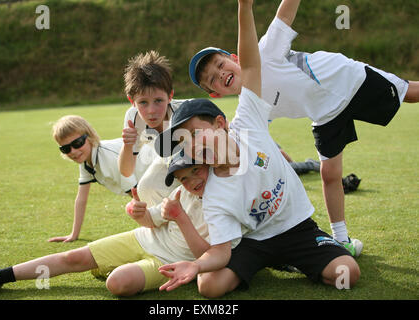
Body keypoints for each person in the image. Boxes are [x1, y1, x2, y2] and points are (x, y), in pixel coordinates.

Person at [154, 0, 360, 298]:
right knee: (209, 287)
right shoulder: (213, 195)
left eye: (196, 135)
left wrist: (244, 7)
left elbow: (250, 64)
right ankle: (270, 263)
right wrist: (196, 266)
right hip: (256, 241)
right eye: (185, 143)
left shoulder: (249, 120)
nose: (194, 147)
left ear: (221, 123)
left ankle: (296, 260)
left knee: (346, 273)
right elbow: (222, 251)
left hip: (297, 227)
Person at [187, 0, 418, 256]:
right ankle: (342, 240)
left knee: (411, 93)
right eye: (212, 79)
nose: (220, 74)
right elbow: (249, 138)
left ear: (235, 58)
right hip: (325, 114)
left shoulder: (264, 52)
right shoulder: (249, 105)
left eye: (220, 65)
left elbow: (284, 14)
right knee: (329, 174)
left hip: (347, 80)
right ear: (216, 94)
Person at [0, 154, 216, 296]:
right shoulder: (181, 193)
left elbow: (206, 256)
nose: (191, 181)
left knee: (117, 284)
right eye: (183, 178)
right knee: (72, 258)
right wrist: (136, 212)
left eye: (196, 171)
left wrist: (181, 218)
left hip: (168, 262)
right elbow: (151, 221)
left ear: (208, 166)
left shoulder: (224, 204)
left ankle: (111, 266)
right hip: (143, 238)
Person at [48, 115, 137, 243]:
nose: (73, 151)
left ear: (89, 137)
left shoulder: (108, 157)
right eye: (66, 148)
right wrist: (74, 234)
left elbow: (136, 194)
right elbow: (81, 199)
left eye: (77, 143)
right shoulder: (85, 161)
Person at [119, 51, 188, 207]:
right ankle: (162, 228)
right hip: (170, 160)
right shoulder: (133, 117)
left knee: (191, 190)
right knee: (146, 188)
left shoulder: (184, 111)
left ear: (170, 96)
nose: (151, 110)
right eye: (143, 102)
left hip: (199, 159)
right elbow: (126, 171)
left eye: (158, 100)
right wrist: (127, 145)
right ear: (132, 101)